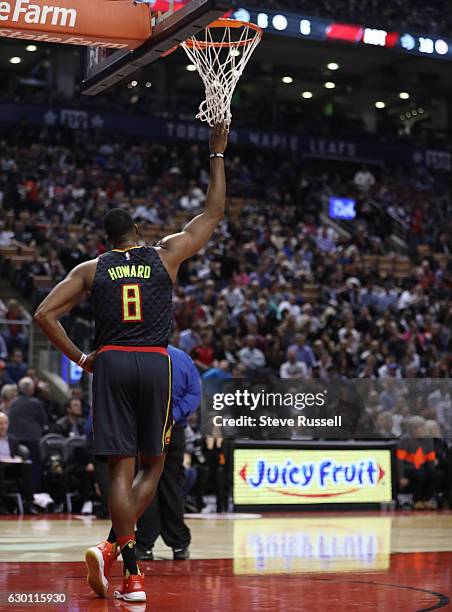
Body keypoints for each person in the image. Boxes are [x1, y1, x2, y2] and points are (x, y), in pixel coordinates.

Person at [34, 124, 228, 603]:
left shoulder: (90, 269)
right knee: (155, 464)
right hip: (156, 361)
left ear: (106, 238)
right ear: (138, 232)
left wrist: (81, 358)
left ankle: (128, 569)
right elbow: (214, 212)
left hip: (112, 362)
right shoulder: (165, 255)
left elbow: (43, 315)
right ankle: (121, 558)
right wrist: (216, 154)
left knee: (119, 469)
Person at [136, 345, 201, 561]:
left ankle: (144, 544)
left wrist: (159, 417)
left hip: (147, 427)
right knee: (173, 485)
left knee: (146, 481)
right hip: (175, 429)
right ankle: (179, 544)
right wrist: (173, 415)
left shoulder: (141, 354)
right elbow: (195, 394)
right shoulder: (183, 357)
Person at [8, 377, 48, 492]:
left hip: (15, 440)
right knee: (34, 467)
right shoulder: (35, 403)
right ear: (30, 389)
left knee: (20, 468)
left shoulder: (13, 402)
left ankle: (19, 493)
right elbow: (43, 419)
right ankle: (33, 494)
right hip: (31, 439)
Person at [0, 412, 34, 515]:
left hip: (11, 468)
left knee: (27, 465)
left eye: (5, 423)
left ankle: (28, 503)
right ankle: (2, 504)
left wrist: (19, 459)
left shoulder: (13, 440)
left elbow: (17, 456)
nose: (3, 427)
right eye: (0, 423)